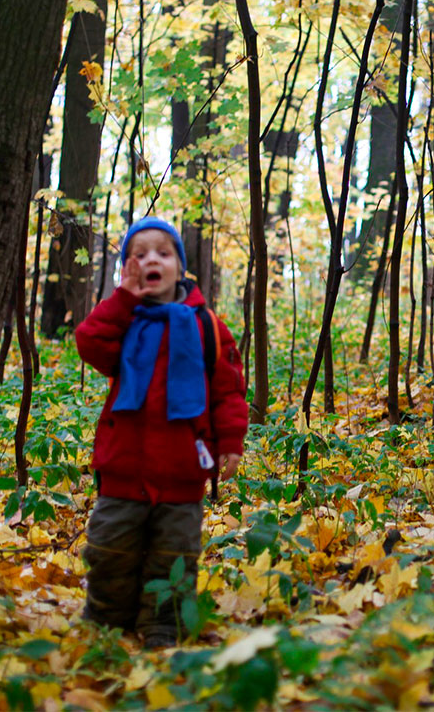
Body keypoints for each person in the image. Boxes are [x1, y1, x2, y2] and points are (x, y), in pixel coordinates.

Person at [74, 216, 248, 648]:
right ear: (128, 270)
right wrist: (121, 300)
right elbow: (89, 342)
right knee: (110, 549)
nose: (152, 259)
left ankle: (162, 626)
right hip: (123, 469)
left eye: (163, 253)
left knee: (175, 557)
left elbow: (229, 391)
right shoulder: (124, 322)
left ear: (179, 267)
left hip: (183, 470)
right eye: (140, 254)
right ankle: (106, 622)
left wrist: (230, 443)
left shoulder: (207, 325)